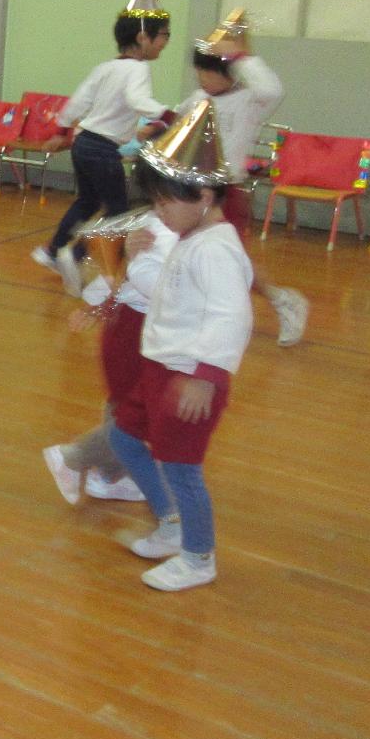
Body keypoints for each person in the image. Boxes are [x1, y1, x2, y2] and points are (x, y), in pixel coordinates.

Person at [106, 100, 254, 592]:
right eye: (155, 202)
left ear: (206, 195)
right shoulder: (190, 238)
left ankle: (198, 556)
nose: (159, 212)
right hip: (160, 370)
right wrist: (134, 261)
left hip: (188, 377)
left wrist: (205, 377)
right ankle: (171, 523)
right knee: (125, 437)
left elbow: (231, 317)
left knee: (183, 469)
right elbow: (164, 293)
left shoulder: (217, 251)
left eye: (166, 202)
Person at [174, 19, 310, 345]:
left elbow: (272, 88)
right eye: (198, 71)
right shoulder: (196, 99)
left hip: (225, 194)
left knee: (235, 265)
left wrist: (239, 56)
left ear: (230, 73)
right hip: (190, 192)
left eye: (209, 72)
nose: (201, 78)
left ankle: (283, 301)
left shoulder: (250, 99)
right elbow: (173, 125)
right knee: (185, 255)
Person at [32, 0, 171, 296]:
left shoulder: (105, 67)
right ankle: (74, 253)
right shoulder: (138, 70)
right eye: (163, 36)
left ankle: (54, 250)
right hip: (103, 150)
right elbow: (139, 101)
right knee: (119, 212)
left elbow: (79, 100)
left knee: (88, 201)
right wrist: (166, 114)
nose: (165, 42)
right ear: (142, 37)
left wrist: (61, 129)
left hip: (84, 144)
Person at [41, 209, 175, 505]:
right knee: (133, 414)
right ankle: (72, 458)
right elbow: (137, 285)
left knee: (124, 406)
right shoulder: (163, 232)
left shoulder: (160, 226)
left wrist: (94, 307)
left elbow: (118, 281)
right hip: (134, 334)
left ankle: (110, 474)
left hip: (134, 329)